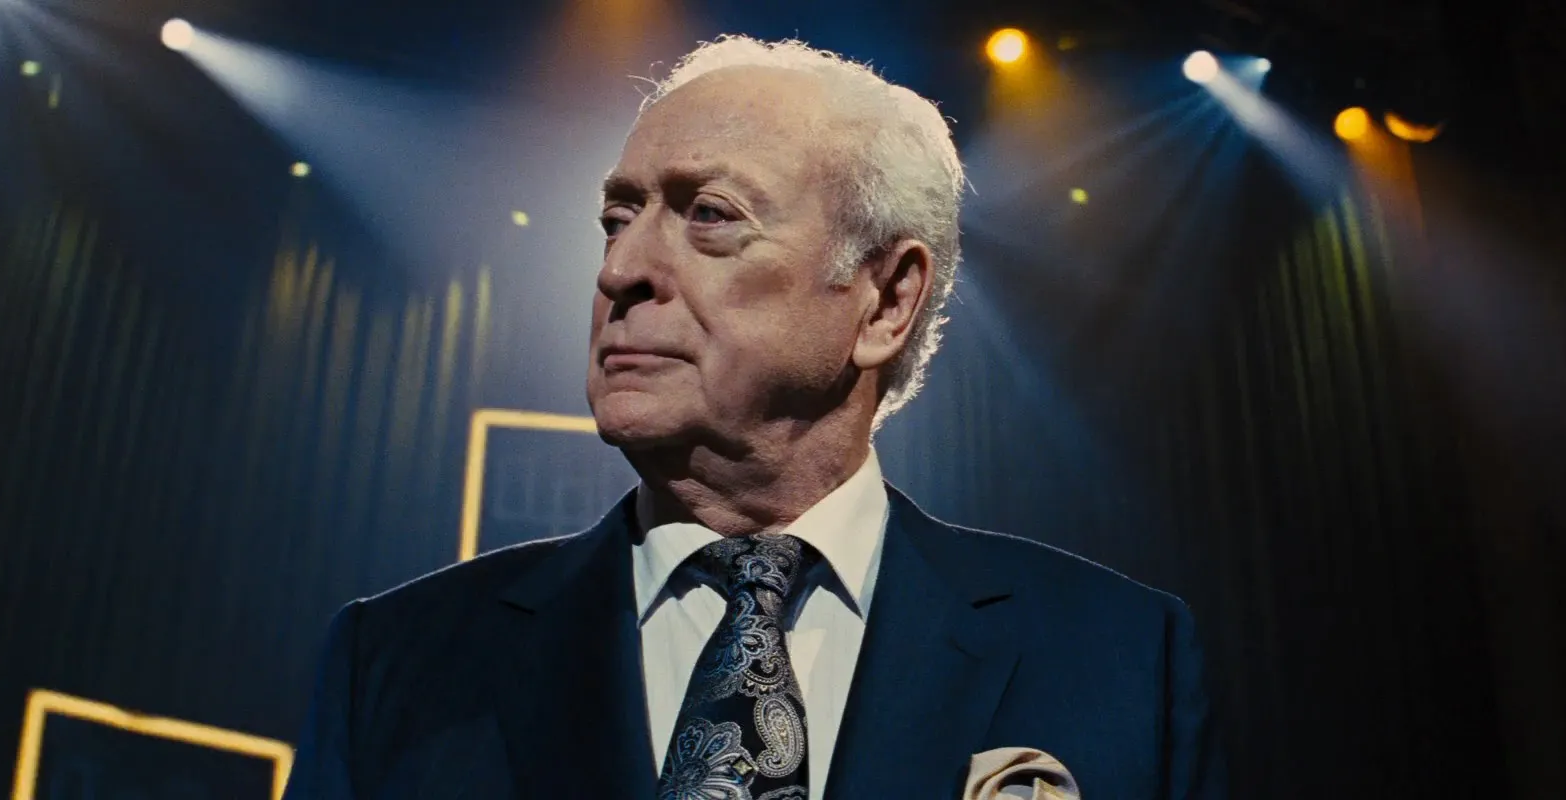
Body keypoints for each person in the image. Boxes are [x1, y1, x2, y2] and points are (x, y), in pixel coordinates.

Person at [286, 35, 1220, 799]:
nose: (620, 270)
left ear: (886, 301)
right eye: (618, 218)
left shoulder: (1119, 659)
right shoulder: (398, 663)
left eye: (710, 215)